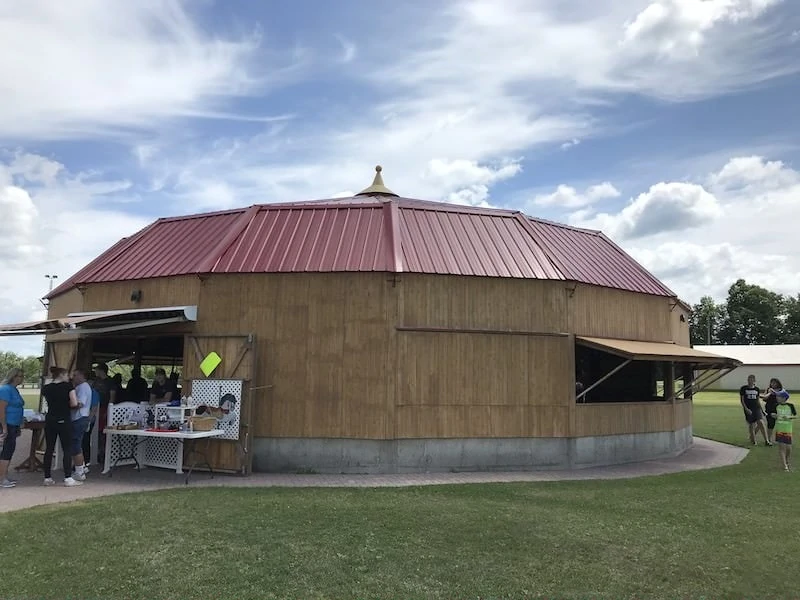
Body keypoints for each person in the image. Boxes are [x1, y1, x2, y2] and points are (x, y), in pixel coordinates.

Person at [41, 367, 83, 486]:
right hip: (64, 418)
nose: (68, 377)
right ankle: (68, 477)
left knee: (49, 448)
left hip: (50, 419)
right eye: (66, 375)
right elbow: (74, 403)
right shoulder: (68, 386)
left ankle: (47, 477)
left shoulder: (46, 388)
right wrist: (77, 404)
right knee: (67, 448)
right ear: (62, 375)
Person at [0, 367, 25, 488]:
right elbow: (1, 409)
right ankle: (2, 478)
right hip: (7, 423)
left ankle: (4, 474)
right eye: (19, 376)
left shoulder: (15, 390)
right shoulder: (5, 390)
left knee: (9, 449)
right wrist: (4, 427)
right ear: (13, 377)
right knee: (6, 450)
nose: (21, 378)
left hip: (14, 424)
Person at [766, 384, 795, 471]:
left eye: (779, 396)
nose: (777, 398)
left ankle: (786, 460)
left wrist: (789, 417)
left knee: (789, 448)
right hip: (780, 430)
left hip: (788, 430)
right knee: (781, 447)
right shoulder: (776, 406)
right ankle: (784, 466)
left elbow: (795, 416)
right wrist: (773, 415)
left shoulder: (790, 406)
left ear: (784, 398)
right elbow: (771, 414)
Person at [70, 369, 92, 481]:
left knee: (76, 444)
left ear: (82, 375)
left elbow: (80, 403)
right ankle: (81, 466)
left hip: (80, 417)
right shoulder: (81, 387)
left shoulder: (83, 387)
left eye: (75, 375)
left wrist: (68, 403)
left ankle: (80, 471)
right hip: (80, 418)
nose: (73, 377)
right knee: (77, 443)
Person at [740, 374, 770, 446]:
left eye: (751, 379)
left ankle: (767, 441)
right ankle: (753, 440)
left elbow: (757, 400)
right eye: (748, 379)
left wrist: (762, 410)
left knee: (761, 422)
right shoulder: (743, 388)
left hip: (756, 408)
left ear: (754, 381)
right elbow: (742, 400)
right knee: (751, 424)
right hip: (748, 409)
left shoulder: (756, 389)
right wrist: (746, 409)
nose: (749, 381)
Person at [761, 378, 783, 445]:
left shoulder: (781, 390)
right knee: (770, 424)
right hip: (769, 408)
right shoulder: (768, 389)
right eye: (771, 383)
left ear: (778, 383)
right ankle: (768, 439)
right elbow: (764, 398)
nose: (773, 384)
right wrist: (769, 393)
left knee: (780, 424)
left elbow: (783, 399)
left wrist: (775, 393)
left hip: (778, 409)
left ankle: (780, 439)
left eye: (774, 383)